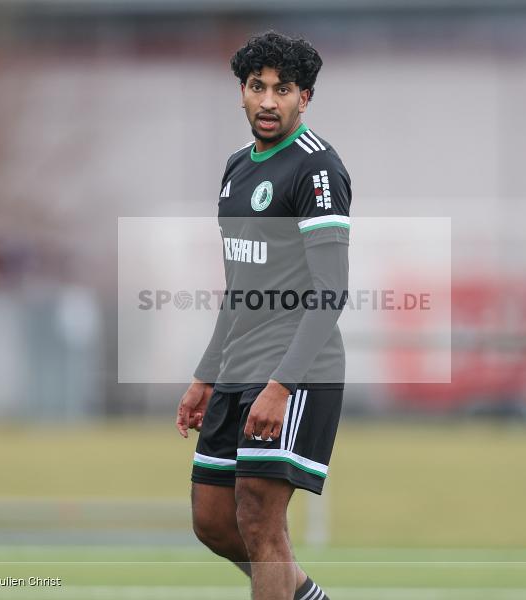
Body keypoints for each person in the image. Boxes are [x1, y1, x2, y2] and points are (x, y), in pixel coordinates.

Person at [176, 31, 350, 600]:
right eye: (257, 87)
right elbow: (238, 288)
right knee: (213, 521)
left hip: (295, 369)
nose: (269, 101)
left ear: (306, 97)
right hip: (236, 369)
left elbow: (331, 289)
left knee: (258, 519)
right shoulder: (235, 169)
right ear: (242, 93)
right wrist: (206, 374)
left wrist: (282, 384)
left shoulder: (317, 170)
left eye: (284, 89)